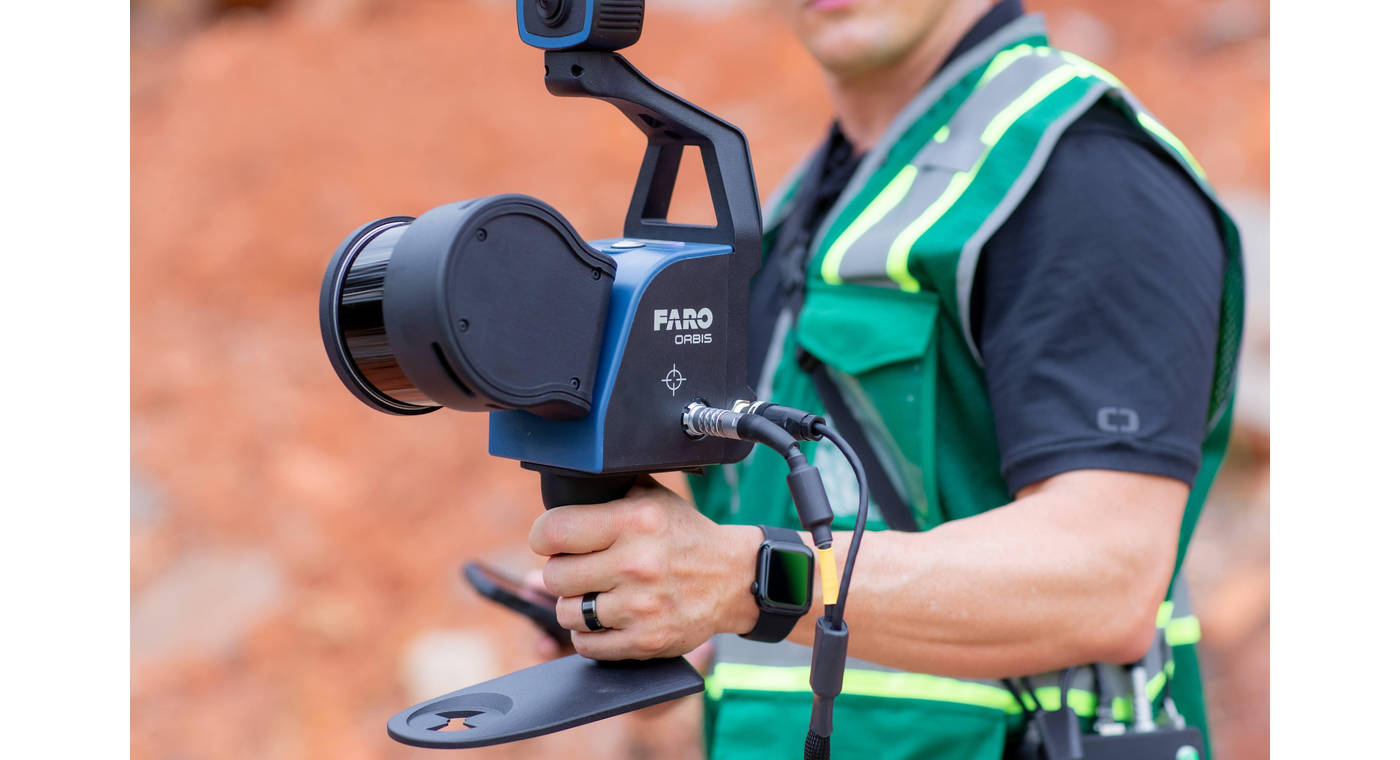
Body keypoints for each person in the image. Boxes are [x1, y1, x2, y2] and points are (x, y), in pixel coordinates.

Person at [527, 1, 1243, 757]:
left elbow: (1107, 579)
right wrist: (656, 615)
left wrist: (745, 579)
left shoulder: (1082, 174)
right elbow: (772, 612)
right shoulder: (802, 215)